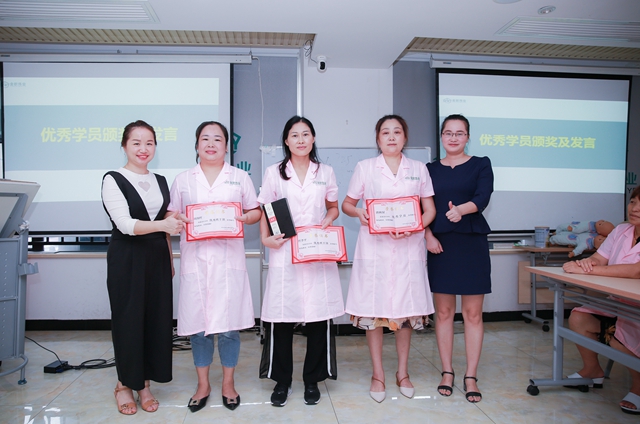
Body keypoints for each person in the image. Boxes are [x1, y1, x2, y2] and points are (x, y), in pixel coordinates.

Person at [167, 121, 261, 413]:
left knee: (230, 328)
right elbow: (171, 214)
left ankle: (228, 384)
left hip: (228, 261)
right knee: (199, 329)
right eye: (205, 139)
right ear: (196, 145)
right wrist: (176, 220)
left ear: (226, 146)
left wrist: (246, 218)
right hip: (196, 262)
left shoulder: (239, 177)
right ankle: (203, 385)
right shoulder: (183, 180)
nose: (211, 144)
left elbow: (255, 210)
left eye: (217, 139)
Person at [343, 114, 437, 403]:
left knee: (404, 314)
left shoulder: (418, 169)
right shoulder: (365, 168)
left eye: (397, 132)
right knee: (374, 314)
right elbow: (347, 204)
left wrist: (415, 227)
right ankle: (378, 374)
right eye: (386, 132)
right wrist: (359, 212)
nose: (392, 137)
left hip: (409, 247)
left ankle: (402, 373)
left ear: (405, 138)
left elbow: (429, 210)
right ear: (378, 139)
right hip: (375, 250)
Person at [258, 116, 344, 407]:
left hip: (316, 250)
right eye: (294, 135)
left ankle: (312, 380)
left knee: (319, 317)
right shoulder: (274, 172)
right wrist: (265, 239)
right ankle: (282, 381)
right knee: (282, 317)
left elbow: (333, 207)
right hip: (285, 251)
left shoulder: (325, 171)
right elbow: (265, 209)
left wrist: (328, 219)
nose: (300, 140)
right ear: (286, 141)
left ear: (313, 138)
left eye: (305, 134)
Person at [101, 120, 184, 415]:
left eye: (149, 143)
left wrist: (169, 258)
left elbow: (165, 227)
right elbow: (125, 225)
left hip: (157, 258)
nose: (143, 148)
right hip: (127, 258)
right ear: (124, 146)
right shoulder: (113, 178)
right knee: (129, 322)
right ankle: (124, 384)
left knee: (155, 322)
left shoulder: (161, 180)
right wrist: (164, 225)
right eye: (136, 143)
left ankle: (144, 384)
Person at [425, 114, 493, 403]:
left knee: (473, 314)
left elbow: (483, 196)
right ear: (441, 136)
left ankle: (471, 375)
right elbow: (421, 206)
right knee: (443, 313)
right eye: (448, 133)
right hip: (440, 244)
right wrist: (427, 235)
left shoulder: (481, 164)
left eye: (459, 133)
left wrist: (460, 210)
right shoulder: (428, 169)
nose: (453, 138)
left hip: (471, 242)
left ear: (468, 137)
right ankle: (447, 372)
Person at [563, 185, 640, 415]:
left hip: (636, 307)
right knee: (578, 317)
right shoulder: (621, 230)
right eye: (633, 202)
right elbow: (599, 257)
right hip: (617, 302)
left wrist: (589, 270)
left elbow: (635, 271)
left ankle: (638, 387)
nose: (635, 208)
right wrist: (587, 263)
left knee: (618, 337)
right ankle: (592, 370)